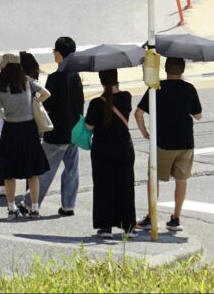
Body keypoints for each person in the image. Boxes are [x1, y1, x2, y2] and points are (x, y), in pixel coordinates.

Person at [133, 57, 202, 233]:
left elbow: (138, 113)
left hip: (162, 143)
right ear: (183, 70)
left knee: (154, 180)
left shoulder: (156, 88)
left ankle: (151, 216)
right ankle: (176, 218)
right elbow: (198, 115)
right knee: (181, 180)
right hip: (185, 142)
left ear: (165, 69)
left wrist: (145, 133)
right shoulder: (189, 88)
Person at [25, 37, 85, 217]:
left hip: (56, 132)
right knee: (72, 169)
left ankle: (29, 203)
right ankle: (68, 205)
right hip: (73, 131)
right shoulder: (76, 76)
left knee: (45, 170)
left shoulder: (54, 78)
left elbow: (48, 106)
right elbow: (80, 103)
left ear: (59, 53)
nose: (53, 54)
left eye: (54, 51)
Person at [0, 53, 50, 220]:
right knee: (33, 171)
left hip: (10, 129)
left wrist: (2, 110)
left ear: (3, 67)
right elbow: (46, 93)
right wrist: (35, 101)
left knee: (9, 171)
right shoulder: (27, 81)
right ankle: (35, 208)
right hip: (29, 128)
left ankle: (11, 209)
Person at [85, 69, 136, 239]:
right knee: (125, 186)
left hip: (102, 150)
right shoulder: (126, 97)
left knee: (103, 187)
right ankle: (128, 226)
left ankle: (105, 227)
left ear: (101, 81)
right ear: (117, 80)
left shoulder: (96, 103)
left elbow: (89, 127)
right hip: (124, 148)